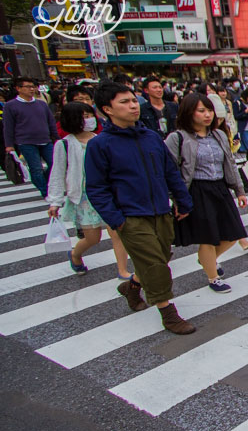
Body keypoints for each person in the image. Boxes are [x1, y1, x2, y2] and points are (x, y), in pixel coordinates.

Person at [85, 82, 195, 334]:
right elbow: (96, 188)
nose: (133, 105)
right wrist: (117, 219)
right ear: (107, 109)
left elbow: (170, 171)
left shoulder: (151, 137)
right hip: (130, 216)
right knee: (156, 265)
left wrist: (183, 200)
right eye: (124, 102)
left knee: (160, 256)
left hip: (160, 211)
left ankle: (132, 287)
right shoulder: (100, 144)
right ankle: (168, 313)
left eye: (134, 100)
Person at [165, 94, 248, 293]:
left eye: (209, 110)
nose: (207, 115)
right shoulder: (178, 138)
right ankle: (213, 277)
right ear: (188, 113)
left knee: (233, 234)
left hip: (220, 187)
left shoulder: (218, 135)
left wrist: (239, 190)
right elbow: (169, 171)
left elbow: (229, 162)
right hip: (197, 190)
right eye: (201, 111)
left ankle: (206, 260)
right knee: (208, 237)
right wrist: (177, 199)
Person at [46, 102, 131, 279]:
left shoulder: (102, 139)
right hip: (83, 197)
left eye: (89, 115)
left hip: (107, 193)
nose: (88, 120)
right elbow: (57, 172)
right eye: (83, 117)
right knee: (93, 238)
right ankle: (75, 255)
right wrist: (55, 202)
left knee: (117, 232)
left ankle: (122, 270)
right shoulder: (64, 145)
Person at [3, 77, 58, 198]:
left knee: (54, 164)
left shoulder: (41, 104)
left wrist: (56, 137)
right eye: (27, 87)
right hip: (25, 141)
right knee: (36, 168)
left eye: (33, 86)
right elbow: (8, 127)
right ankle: (45, 191)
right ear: (18, 88)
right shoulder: (10, 106)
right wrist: (9, 145)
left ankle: (46, 183)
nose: (31, 89)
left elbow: (51, 122)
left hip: (45, 139)